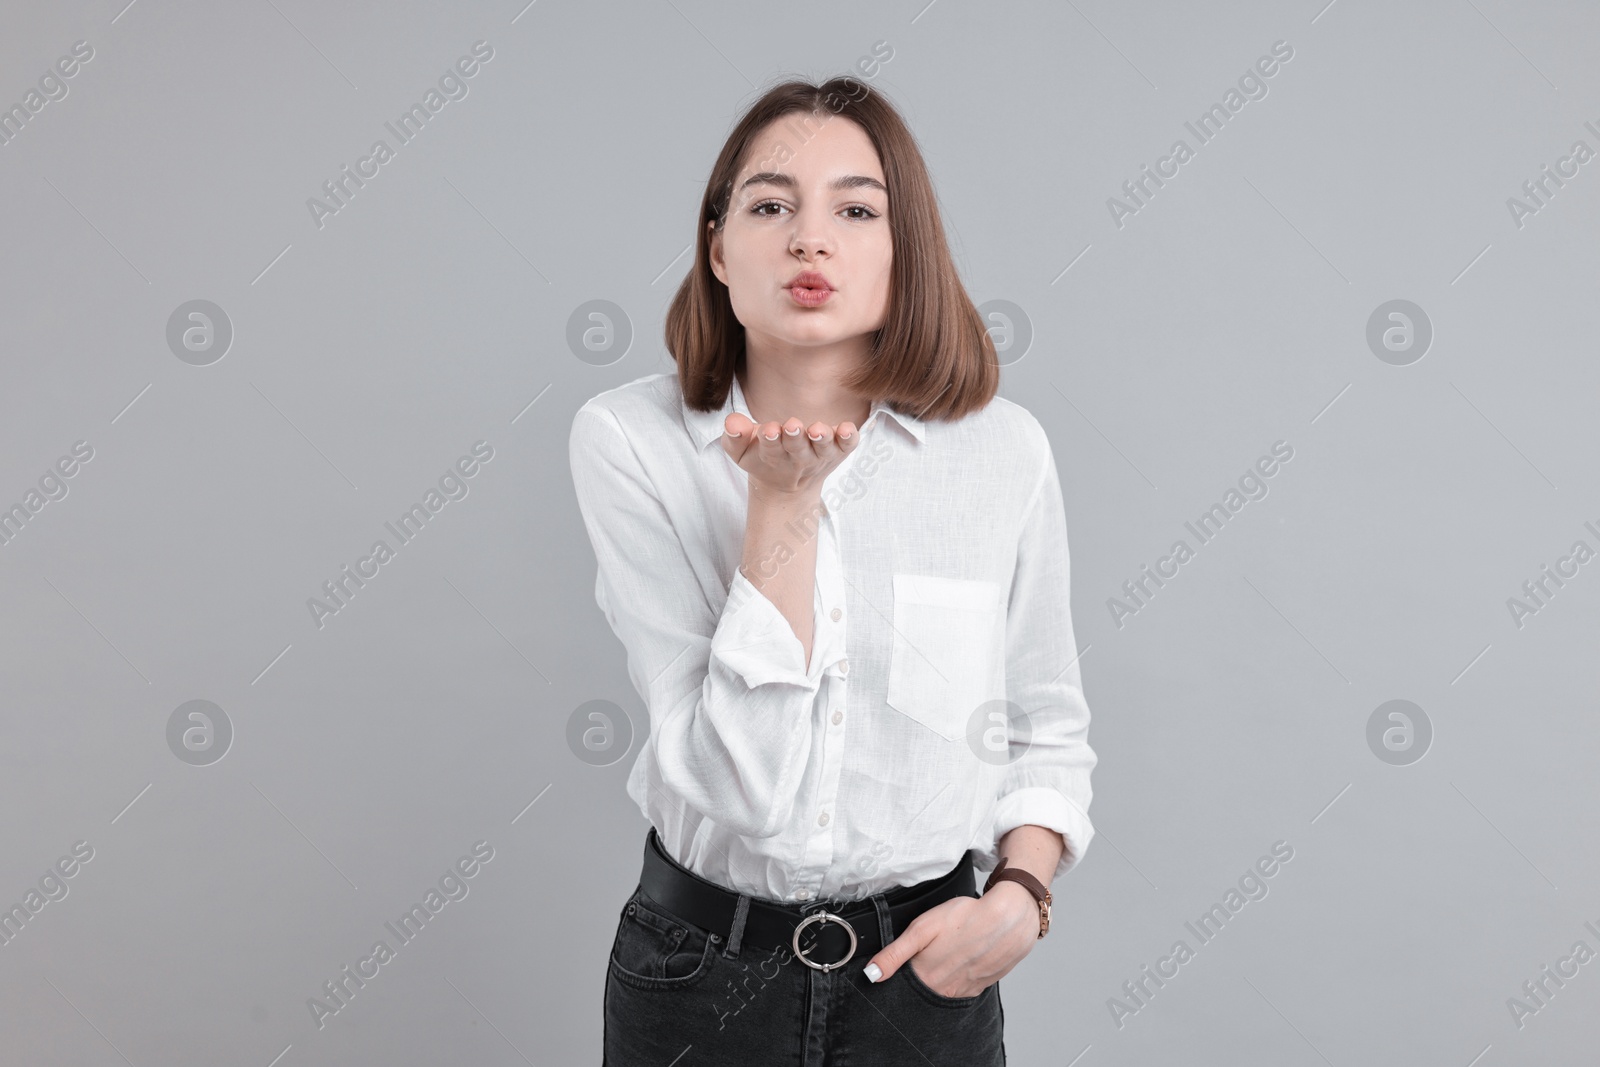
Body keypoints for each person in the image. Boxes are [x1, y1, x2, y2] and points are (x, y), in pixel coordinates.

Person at [568, 74, 1097, 1065]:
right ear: (717, 246)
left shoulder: (1002, 451)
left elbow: (1045, 723)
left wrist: (1019, 899)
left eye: (856, 209)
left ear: (904, 252)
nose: (810, 239)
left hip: (924, 976)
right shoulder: (629, 441)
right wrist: (783, 505)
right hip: (699, 979)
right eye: (771, 205)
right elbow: (740, 784)